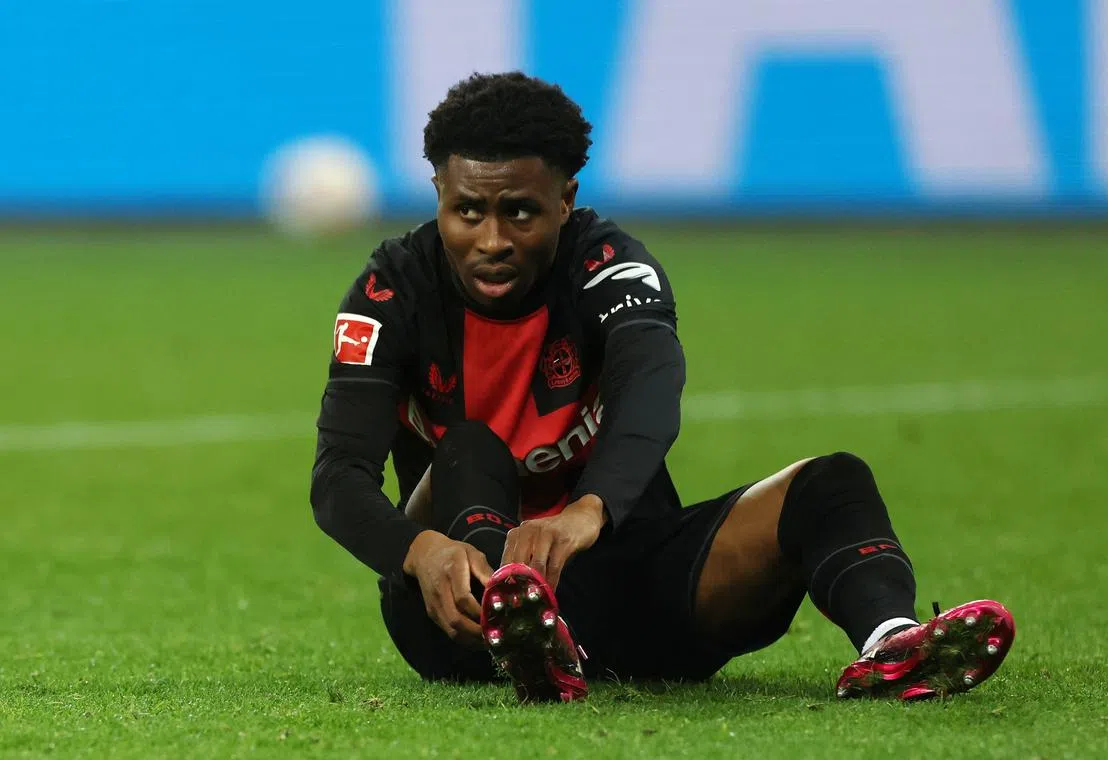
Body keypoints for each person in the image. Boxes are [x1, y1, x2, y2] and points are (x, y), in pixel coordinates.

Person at [310, 72, 1015, 703]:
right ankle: (519, 628)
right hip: (454, 612)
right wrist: (417, 552)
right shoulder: (390, 290)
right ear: (438, 195)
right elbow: (339, 477)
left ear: (565, 200)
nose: (491, 239)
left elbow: (652, 381)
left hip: (624, 586)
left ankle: (892, 643)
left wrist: (588, 511)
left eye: (519, 212)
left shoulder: (609, 265)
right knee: (469, 448)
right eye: (468, 211)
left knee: (831, 483)